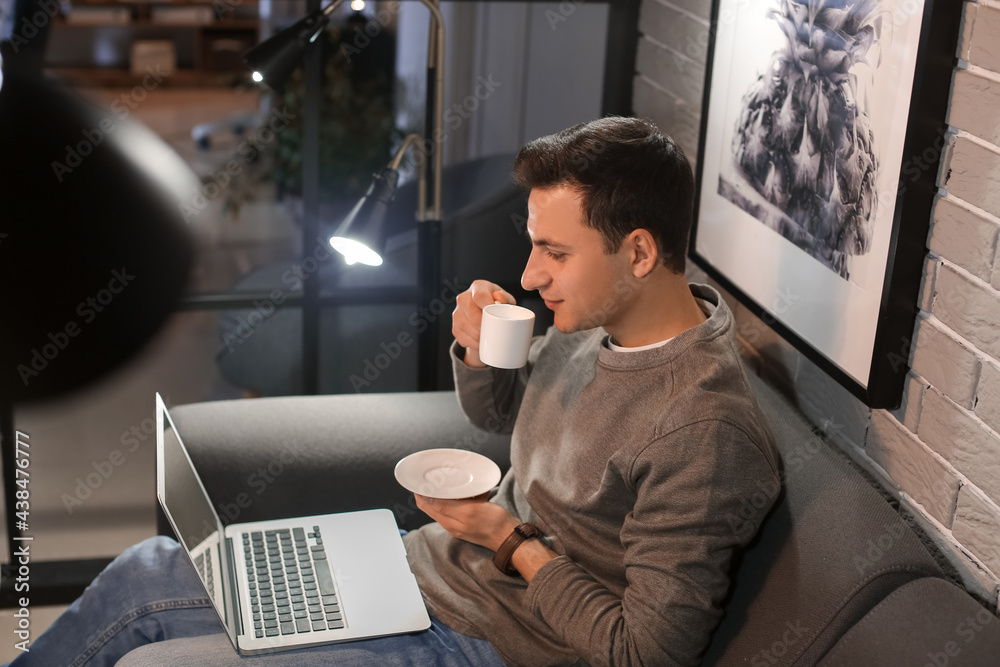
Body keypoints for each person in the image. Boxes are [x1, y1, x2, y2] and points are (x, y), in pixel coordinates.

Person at [9, 117, 780, 667]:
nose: (531, 273)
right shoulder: (596, 321)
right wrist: (481, 357)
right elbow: (503, 414)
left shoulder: (699, 428)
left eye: (553, 251)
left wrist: (508, 539)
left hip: (493, 643)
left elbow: (641, 650)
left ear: (638, 252)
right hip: (418, 570)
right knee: (148, 567)